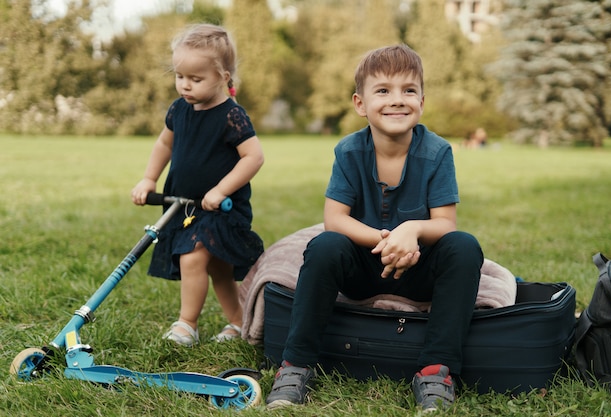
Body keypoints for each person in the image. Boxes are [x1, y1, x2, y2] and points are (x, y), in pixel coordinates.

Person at [265, 44, 483, 412]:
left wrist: (411, 231)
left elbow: (445, 224)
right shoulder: (349, 151)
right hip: (363, 268)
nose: (397, 100)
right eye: (383, 90)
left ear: (422, 102)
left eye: (408, 90)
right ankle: (295, 364)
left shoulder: (438, 152)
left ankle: (436, 370)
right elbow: (335, 219)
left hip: (418, 268)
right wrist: (386, 240)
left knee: (464, 247)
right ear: (360, 104)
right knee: (324, 245)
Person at [131, 24, 264, 346]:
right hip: (186, 205)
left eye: (195, 78)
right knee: (217, 267)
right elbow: (164, 145)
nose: (185, 86)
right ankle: (238, 322)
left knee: (194, 257)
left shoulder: (232, 116)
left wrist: (221, 190)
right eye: (180, 76)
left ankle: (186, 324)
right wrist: (150, 178)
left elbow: (253, 157)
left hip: (220, 208)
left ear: (223, 76)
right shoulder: (179, 110)